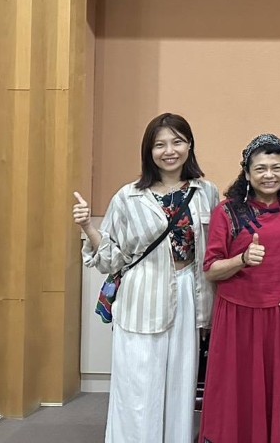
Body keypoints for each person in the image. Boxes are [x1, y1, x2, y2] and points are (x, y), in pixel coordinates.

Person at [72, 112, 219, 443]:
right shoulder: (128, 197)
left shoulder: (206, 192)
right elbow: (110, 259)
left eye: (177, 142)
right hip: (141, 296)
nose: (169, 151)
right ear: (149, 151)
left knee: (181, 384)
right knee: (138, 385)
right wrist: (87, 226)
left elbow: (213, 250)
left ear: (189, 145)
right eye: (159, 144)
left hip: (190, 296)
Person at [198, 133, 280, 443]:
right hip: (238, 318)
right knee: (238, 392)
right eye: (261, 168)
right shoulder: (227, 212)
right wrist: (242, 259)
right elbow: (211, 269)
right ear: (247, 174)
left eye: (277, 168)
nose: (269, 175)